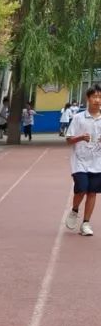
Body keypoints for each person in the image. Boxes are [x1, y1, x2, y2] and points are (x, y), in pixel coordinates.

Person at [65, 84, 101, 236]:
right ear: (88, 98)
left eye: (100, 97)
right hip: (79, 161)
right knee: (82, 189)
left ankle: (85, 223)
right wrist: (81, 137)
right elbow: (68, 139)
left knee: (92, 192)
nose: (97, 100)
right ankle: (74, 210)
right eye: (94, 97)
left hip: (97, 162)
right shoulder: (78, 118)